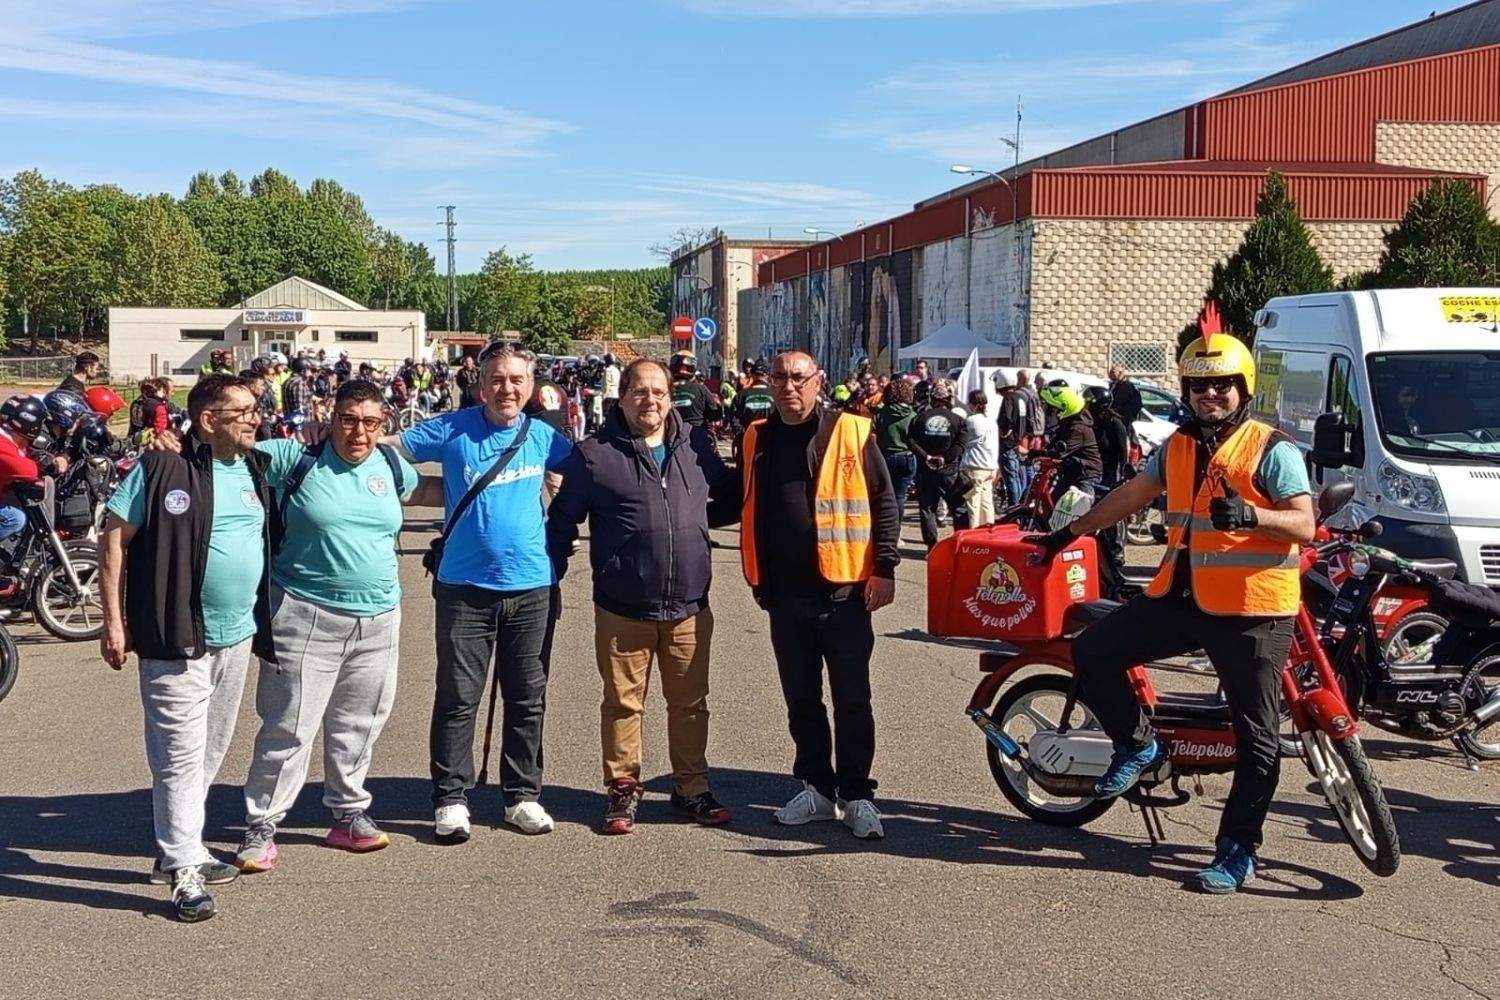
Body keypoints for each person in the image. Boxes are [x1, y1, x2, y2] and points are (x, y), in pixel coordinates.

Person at [1026, 331, 1314, 894]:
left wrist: (1254, 517)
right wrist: (1068, 532)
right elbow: (1131, 495)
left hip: (1252, 610)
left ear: (1243, 388)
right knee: (1093, 652)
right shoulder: (1177, 446)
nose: (1210, 394)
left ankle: (1236, 850)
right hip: (1182, 598)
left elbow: (1303, 524)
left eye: (1222, 385)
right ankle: (1139, 743)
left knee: (1256, 737)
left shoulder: (1272, 447)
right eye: (1199, 385)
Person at [98, 375, 275, 922]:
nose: (254, 418)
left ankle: (183, 846)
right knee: (177, 757)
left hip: (236, 636)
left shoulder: (255, 467)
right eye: (242, 411)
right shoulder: (160, 469)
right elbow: (113, 539)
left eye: (255, 409)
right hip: (176, 638)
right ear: (207, 420)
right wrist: (113, 622)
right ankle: (183, 871)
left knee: (210, 749)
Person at [233, 380, 423, 874]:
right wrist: (174, 441)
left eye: (370, 422)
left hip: (380, 618)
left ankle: (348, 811)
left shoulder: (392, 466)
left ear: (384, 424)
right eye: (348, 419)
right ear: (329, 416)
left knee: (360, 722)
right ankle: (262, 824)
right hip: (304, 613)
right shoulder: (291, 460)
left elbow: (422, 490)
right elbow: (226, 448)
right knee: (290, 726)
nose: (359, 432)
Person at [547, 359, 740, 835]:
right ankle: (622, 787)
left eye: (658, 391)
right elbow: (563, 518)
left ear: (671, 397)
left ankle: (690, 790)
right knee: (623, 703)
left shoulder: (695, 445)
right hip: (623, 605)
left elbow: (730, 497)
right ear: (622, 398)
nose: (649, 400)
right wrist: (552, 572)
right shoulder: (594, 454)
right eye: (639, 392)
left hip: (689, 604)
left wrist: (691, 525)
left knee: (690, 703)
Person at [397, 343, 576, 842]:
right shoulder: (453, 429)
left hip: (532, 586)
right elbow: (390, 448)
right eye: (498, 379)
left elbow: (583, 478)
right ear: (481, 384)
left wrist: (563, 494)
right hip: (463, 587)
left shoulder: (545, 437)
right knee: (458, 697)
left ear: (530, 385)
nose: (507, 389)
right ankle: (451, 798)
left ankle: (522, 795)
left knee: (526, 698)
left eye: (517, 380)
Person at [741, 350, 900, 840]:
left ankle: (856, 795)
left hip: (844, 593)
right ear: (768, 383)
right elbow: (742, 500)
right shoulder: (757, 437)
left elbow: (884, 499)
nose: (789, 386)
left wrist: (886, 568)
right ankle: (815, 786)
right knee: (801, 700)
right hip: (784, 596)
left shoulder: (850, 430)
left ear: (818, 382)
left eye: (799, 378)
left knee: (853, 699)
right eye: (780, 377)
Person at [908, 380, 973, 549]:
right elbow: (961, 445)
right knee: (958, 509)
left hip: (926, 471)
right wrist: (945, 458)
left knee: (927, 509)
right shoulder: (958, 420)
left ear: (931, 399)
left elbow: (911, 441)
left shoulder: (919, 418)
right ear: (950, 399)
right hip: (949, 472)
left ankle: (931, 546)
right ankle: (962, 543)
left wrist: (927, 457)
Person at [0, 395, 65, 557]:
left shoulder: (7, 438)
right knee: (15, 518)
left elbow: (25, 454)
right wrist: (47, 464)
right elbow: (28, 471)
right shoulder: (3, 444)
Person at [1084, 385, 1131, 596]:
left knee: (1115, 513)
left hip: (1113, 472)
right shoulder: (1092, 423)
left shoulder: (1115, 423)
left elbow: (1123, 452)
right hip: (1098, 471)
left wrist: (1120, 477)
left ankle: (1117, 550)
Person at [1039, 382, 1102, 500]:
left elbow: (1061, 451)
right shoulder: (1067, 423)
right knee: (1055, 500)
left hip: (1086, 474)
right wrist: (1037, 452)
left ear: (1066, 407)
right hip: (1072, 471)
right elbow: (1055, 443)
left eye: (1057, 409)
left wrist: (1044, 454)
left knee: (1079, 506)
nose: (1055, 412)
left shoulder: (1078, 428)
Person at [873, 377, 917, 522]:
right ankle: (897, 530)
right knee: (900, 495)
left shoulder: (881, 413)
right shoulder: (912, 415)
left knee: (886, 495)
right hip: (907, 456)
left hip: (885, 456)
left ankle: (886, 527)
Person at [961, 389, 1000, 528]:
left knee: (973, 505)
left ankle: (973, 535)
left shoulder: (971, 421)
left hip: (975, 465)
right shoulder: (991, 421)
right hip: (990, 466)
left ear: (974, 404)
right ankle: (989, 533)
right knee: (987, 503)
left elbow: (965, 441)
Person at [996, 373, 1034, 506]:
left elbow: (1007, 418)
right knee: (1016, 476)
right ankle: (1018, 505)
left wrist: (1003, 433)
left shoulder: (1008, 399)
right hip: (1017, 442)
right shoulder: (1020, 398)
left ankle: (1014, 506)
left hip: (1008, 444)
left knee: (1011, 478)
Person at [669, 353, 720, 428]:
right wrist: (718, 404)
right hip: (696, 433)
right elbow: (714, 416)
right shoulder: (701, 389)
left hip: (669, 434)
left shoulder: (663, 389)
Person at [601, 351, 622, 418]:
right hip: (616, 394)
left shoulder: (607, 370)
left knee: (607, 413)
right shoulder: (617, 370)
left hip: (609, 395)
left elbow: (606, 384)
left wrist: (603, 396)